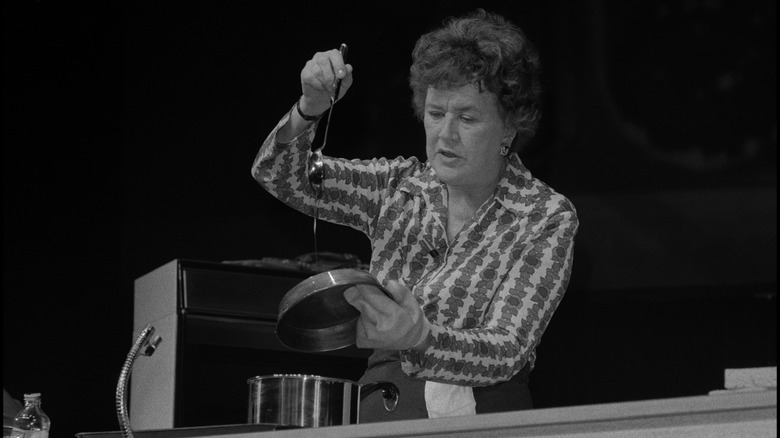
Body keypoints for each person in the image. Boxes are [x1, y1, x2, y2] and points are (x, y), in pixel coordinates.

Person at [252, 9, 578, 421]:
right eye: (436, 113)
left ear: (510, 128)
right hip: (382, 415)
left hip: (483, 421)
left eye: (467, 117)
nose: (446, 134)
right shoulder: (396, 187)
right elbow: (279, 175)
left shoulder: (544, 216)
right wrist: (310, 107)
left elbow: (507, 348)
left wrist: (421, 337)